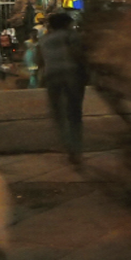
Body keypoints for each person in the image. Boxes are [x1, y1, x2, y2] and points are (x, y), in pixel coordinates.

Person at [38, 10, 87, 167]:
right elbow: (78, 54)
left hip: (52, 76)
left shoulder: (44, 40)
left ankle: (67, 145)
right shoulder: (71, 36)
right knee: (74, 113)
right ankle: (76, 149)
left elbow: (40, 60)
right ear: (66, 24)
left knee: (58, 113)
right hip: (71, 74)